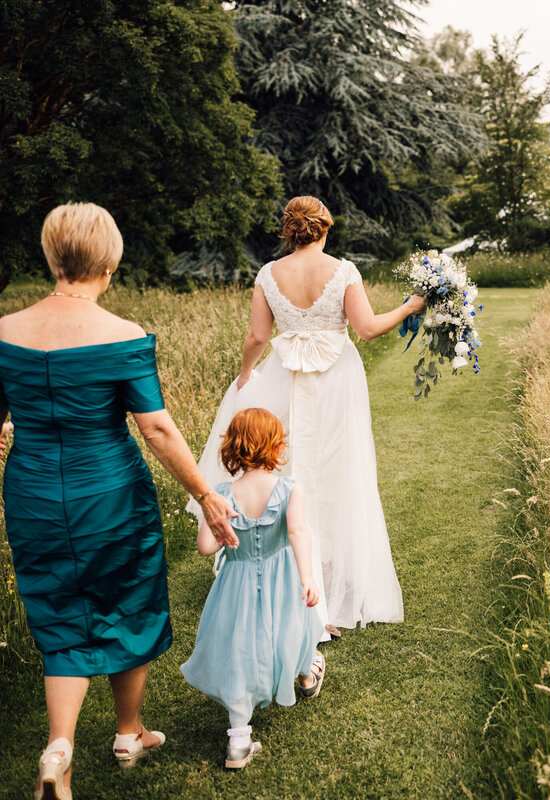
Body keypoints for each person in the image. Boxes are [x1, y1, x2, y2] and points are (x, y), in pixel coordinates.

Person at [0, 203, 238, 800]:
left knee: (59, 609)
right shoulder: (123, 337)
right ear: (109, 263)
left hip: (32, 491)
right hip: (108, 491)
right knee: (129, 599)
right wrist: (207, 494)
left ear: (52, 257)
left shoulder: (3, 332)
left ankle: (59, 747)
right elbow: (155, 429)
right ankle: (128, 733)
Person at [188, 196, 423, 637]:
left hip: (284, 377)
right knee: (335, 471)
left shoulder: (268, 274)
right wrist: (410, 307)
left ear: (289, 231)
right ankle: (325, 593)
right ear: (325, 228)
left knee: (286, 467)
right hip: (336, 379)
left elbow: (258, 335)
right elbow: (368, 329)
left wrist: (245, 378)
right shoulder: (344, 270)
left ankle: (285, 581)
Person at [181, 408, 325, 770]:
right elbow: (297, 533)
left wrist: (218, 522)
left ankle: (239, 739)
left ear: (234, 448)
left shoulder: (223, 494)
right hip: (283, 579)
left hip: (236, 585)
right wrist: (307, 577)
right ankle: (306, 674)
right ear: (277, 445)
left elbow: (206, 547)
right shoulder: (291, 488)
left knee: (239, 649)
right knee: (293, 628)